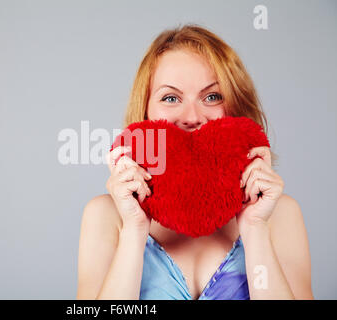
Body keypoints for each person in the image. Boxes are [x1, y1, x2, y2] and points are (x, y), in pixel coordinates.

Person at [76, 24, 313, 300]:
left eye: (212, 96)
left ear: (236, 106)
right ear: (145, 111)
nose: (191, 116)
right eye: (170, 97)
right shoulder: (107, 215)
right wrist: (135, 229)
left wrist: (255, 228)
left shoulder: (279, 214)